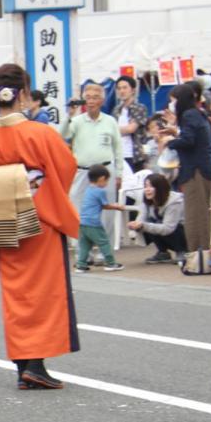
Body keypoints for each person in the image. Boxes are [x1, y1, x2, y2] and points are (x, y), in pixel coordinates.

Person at [0, 63, 80, 390]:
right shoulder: (42, 132)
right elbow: (65, 167)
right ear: (21, 94)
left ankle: (23, 366)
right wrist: (37, 190)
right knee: (43, 292)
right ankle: (35, 363)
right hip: (40, 215)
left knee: (16, 291)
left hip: (3, 216)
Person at [62, 83, 123, 252]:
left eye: (95, 98)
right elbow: (63, 135)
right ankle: (83, 250)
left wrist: (119, 173)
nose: (91, 101)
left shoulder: (110, 121)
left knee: (107, 211)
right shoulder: (76, 121)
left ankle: (106, 251)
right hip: (82, 171)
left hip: (105, 171)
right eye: (88, 97)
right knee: (78, 209)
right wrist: (69, 115)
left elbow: (118, 148)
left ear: (102, 100)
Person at [159, 83, 211, 254]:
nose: (171, 105)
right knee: (200, 213)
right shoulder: (198, 114)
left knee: (195, 215)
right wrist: (176, 133)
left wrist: (170, 142)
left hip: (195, 171)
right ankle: (200, 252)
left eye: (173, 101)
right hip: (203, 169)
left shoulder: (189, 115)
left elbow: (189, 141)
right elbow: (195, 138)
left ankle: (197, 254)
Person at [74, 165, 125, 274]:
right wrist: (117, 206)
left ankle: (81, 265)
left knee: (85, 244)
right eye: (106, 180)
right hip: (93, 222)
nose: (106, 183)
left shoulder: (88, 189)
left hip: (83, 222)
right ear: (101, 179)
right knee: (104, 242)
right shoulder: (100, 191)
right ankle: (111, 263)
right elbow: (105, 205)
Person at [128, 173, 186, 264]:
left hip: (182, 232)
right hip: (166, 230)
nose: (147, 190)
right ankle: (163, 252)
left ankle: (183, 251)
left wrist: (144, 225)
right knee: (149, 222)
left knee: (158, 225)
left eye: (151, 186)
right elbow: (141, 218)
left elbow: (168, 228)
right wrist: (136, 225)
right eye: (145, 186)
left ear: (160, 188)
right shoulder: (147, 200)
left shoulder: (174, 202)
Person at [112, 76, 149, 171]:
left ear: (132, 90)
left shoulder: (139, 108)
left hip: (135, 155)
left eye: (125, 88)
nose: (122, 91)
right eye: (119, 88)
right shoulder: (116, 110)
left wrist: (115, 129)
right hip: (118, 154)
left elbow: (131, 129)